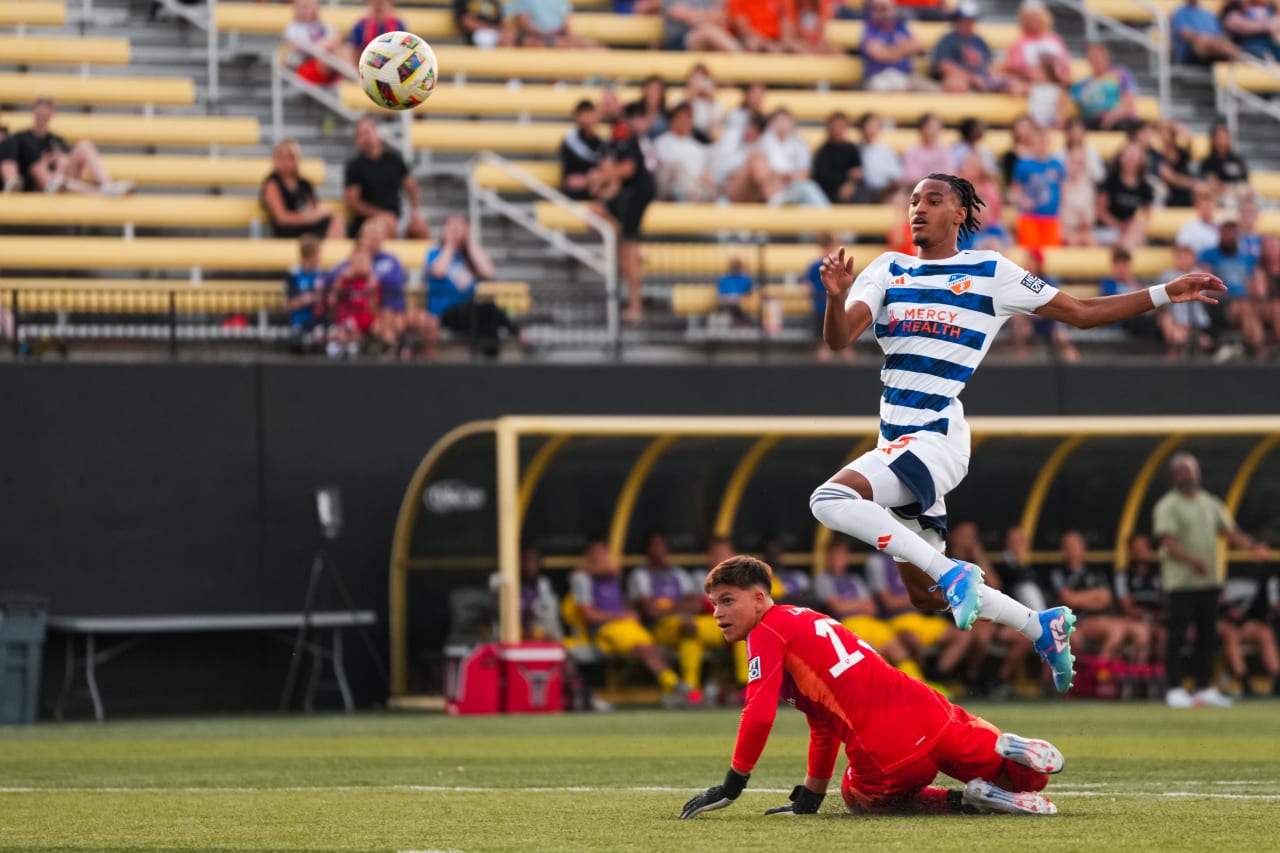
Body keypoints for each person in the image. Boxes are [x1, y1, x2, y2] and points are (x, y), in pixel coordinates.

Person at [807, 172, 1227, 695]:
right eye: (913, 200)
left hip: (936, 436)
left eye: (933, 201)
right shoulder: (888, 269)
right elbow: (840, 338)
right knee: (923, 593)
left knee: (829, 498)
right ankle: (1039, 626)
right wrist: (835, 297)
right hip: (893, 440)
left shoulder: (991, 271)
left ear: (959, 214)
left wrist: (1169, 291)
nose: (918, 208)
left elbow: (1081, 314)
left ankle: (959, 574)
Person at [679, 555, 1063, 820]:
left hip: (888, 744)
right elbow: (823, 723)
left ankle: (969, 802)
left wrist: (734, 785)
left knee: (858, 798)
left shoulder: (765, 632)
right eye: (713, 604)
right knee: (1027, 778)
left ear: (760, 599)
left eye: (727, 601)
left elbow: (759, 714)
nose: (717, 613)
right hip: (934, 711)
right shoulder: (809, 617)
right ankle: (1012, 756)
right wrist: (811, 796)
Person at [1154, 452, 1269, 708]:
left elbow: (1231, 532)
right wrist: (1192, 561)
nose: (1188, 475)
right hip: (1181, 583)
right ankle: (1175, 688)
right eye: (1182, 471)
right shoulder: (1167, 505)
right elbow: (1168, 542)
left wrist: (1252, 548)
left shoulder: (1210, 503)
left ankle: (1203, 687)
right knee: (1178, 636)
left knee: (1208, 636)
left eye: (1191, 470)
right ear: (1174, 476)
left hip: (1209, 583)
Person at [567, 539, 689, 704]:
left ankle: (670, 690)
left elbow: (615, 571)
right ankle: (675, 685)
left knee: (653, 648)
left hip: (626, 625)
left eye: (604, 554)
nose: (602, 558)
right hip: (605, 630)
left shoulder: (612, 578)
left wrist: (629, 613)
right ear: (588, 557)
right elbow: (589, 615)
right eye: (596, 554)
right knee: (642, 649)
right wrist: (619, 616)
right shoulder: (583, 579)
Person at [627, 531, 717, 704]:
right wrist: (678, 607)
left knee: (691, 633)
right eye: (655, 546)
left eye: (662, 546)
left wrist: (666, 607)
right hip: (659, 628)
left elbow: (697, 604)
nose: (659, 550)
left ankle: (691, 692)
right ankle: (690, 690)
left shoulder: (679, 574)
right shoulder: (640, 575)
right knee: (689, 627)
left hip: (685, 625)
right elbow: (651, 611)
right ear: (647, 550)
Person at [425, 214, 516, 356]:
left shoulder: (468, 258)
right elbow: (438, 271)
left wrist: (470, 244)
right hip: (445, 312)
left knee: (487, 323)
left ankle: (489, 360)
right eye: (452, 227)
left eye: (460, 227)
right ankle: (516, 332)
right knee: (487, 310)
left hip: (470, 312)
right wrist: (450, 245)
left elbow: (488, 271)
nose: (456, 231)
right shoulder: (435, 253)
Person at [0, 97, 130, 195]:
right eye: (40, 114)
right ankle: (100, 190)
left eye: (45, 114)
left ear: (51, 114)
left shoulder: (57, 140)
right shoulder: (21, 138)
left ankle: (106, 184)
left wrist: (60, 163)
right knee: (45, 170)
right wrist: (44, 164)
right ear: (34, 112)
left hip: (60, 179)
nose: (42, 118)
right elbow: (25, 165)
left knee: (84, 146)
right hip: (41, 182)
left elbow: (70, 166)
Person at [602, 102, 658, 323]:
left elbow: (629, 168)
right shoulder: (619, 136)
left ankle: (636, 307)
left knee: (629, 254)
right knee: (625, 250)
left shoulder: (624, 135)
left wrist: (605, 174)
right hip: (630, 196)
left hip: (636, 196)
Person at [343, 117, 429, 240]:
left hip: (396, 218)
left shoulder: (394, 160)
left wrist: (415, 212)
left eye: (368, 132)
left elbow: (411, 186)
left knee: (420, 228)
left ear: (376, 132)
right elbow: (353, 202)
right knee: (385, 225)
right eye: (362, 134)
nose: (367, 137)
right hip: (368, 221)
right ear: (358, 139)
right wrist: (379, 214)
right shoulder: (355, 166)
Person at [261, 139, 344, 241]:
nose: (287, 161)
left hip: (307, 226)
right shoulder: (272, 184)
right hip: (289, 230)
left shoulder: (304, 183)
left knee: (337, 219)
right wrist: (308, 217)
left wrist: (316, 213)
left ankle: (332, 254)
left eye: (291, 157)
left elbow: (315, 207)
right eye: (282, 157)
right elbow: (281, 218)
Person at [1095, 142, 1154, 250]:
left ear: (1141, 160)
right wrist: (1119, 226)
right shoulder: (1110, 181)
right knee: (1135, 240)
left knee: (1136, 234)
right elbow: (1100, 212)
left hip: (1129, 231)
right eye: (1129, 156)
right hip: (1107, 229)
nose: (1131, 161)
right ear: (1121, 158)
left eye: (1134, 157)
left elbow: (1147, 214)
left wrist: (1134, 224)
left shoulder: (1145, 186)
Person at [930, 1, 998, 94]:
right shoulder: (947, 39)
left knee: (1012, 83)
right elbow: (944, 66)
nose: (968, 23)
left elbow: (990, 65)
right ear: (957, 20)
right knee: (956, 83)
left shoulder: (979, 41)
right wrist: (971, 78)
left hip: (982, 80)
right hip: (961, 80)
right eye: (964, 20)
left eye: (971, 20)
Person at [1070, 43, 1140, 131]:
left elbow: (1128, 102)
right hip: (1093, 122)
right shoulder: (1082, 84)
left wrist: (1112, 116)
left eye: (1098, 57)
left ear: (1106, 57)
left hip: (1120, 120)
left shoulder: (1121, 74)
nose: (1096, 60)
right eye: (1092, 58)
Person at [284, 233, 329, 351]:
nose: (320, 257)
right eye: (318, 254)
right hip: (298, 322)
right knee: (297, 342)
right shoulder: (293, 274)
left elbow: (324, 298)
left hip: (317, 322)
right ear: (311, 255)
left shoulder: (320, 274)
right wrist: (309, 299)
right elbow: (290, 303)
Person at [560, 100, 610, 203]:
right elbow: (571, 179)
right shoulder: (570, 141)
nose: (588, 118)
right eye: (584, 114)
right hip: (575, 191)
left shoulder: (600, 143)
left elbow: (606, 170)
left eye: (590, 114)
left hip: (596, 187)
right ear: (577, 117)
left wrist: (591, 178)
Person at [284, 0, 343, 85]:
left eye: (311, 6)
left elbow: (338, 38)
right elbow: (296, 47)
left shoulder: (325, 26)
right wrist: (323, 46)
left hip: (328, 63)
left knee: (342, 49)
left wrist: (322, 46)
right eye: (305, 7)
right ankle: (351, 78)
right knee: (328, 51)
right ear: (297, 9)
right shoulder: (292, 28)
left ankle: (352, 78)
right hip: (304, 67)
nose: (309, 10)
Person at [811, 111, 863, 205]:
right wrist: (847, 176)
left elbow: (858, 173)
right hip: (829, 192)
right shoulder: (823, 151)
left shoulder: (852, 149)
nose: (839, 129)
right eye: (836, 126)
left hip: (851, 190)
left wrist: (850, 184)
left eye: (842, 126)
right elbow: (823, 177)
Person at [1171, 0, 1240, 64]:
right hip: (1191, 51)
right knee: (1205, 43)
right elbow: (1185, 34)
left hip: (1214, 46)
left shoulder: (1208, 14)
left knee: (1226, 45)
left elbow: (1219, 34)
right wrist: (1203, 38)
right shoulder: (1180, 13)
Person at [505, 0, 596, 48]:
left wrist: (569, 37)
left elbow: (567, 24)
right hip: (537, 37)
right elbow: (525, 25)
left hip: (555, 36)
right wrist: (549, 34)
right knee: (561, 46)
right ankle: (558, 82)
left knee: (592, 47)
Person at [662, 0, 742, 52]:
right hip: (680, 42)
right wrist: (707, 15)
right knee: (707, 32)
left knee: (713, 41)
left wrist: (698, 16)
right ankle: (742, 59)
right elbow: (684, 16)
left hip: (709, 38)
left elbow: (720, 17)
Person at [345, 0, 407, 65]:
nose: (379, 3)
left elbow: (403, 52)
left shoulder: (398, 24)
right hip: (368, 67)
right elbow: (356, 56)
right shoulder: (361, 25)